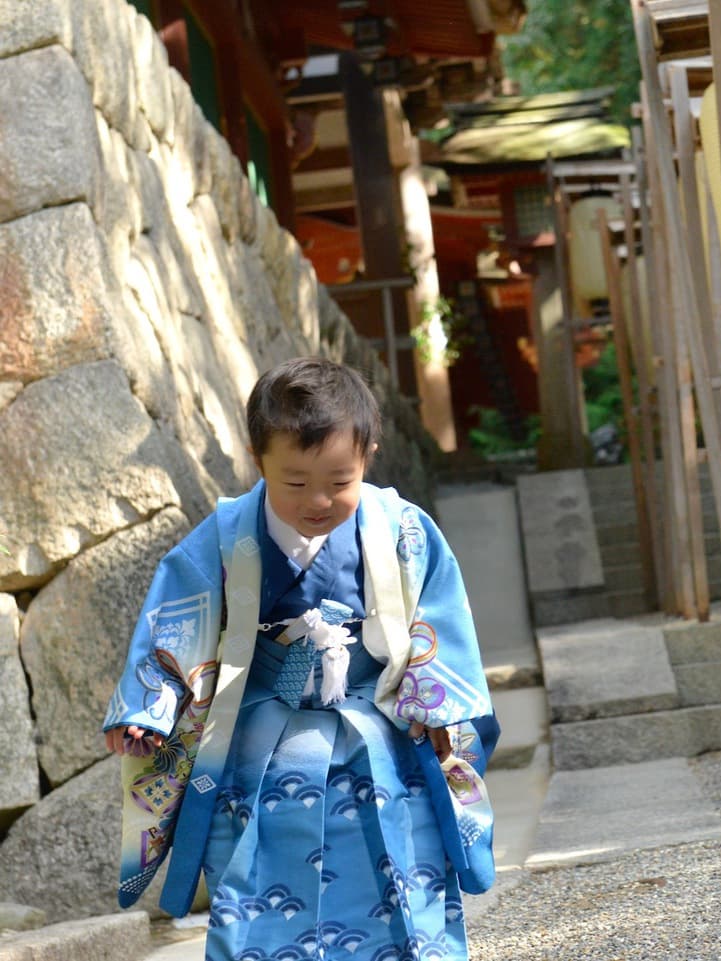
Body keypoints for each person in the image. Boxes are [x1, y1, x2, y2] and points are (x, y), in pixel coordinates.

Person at [104, 357, 500, 960]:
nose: (317, 500)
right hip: (260, 739)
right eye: (294, 483)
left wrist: (435, 699)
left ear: (369, 453)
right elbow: (175, 621)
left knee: (403, 867)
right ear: (255, 458)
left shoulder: (403, 531)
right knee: (253, 880)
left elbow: (440, 619)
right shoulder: (224, 535)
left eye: (339, 482)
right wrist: (150, 708)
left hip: (380, 732)